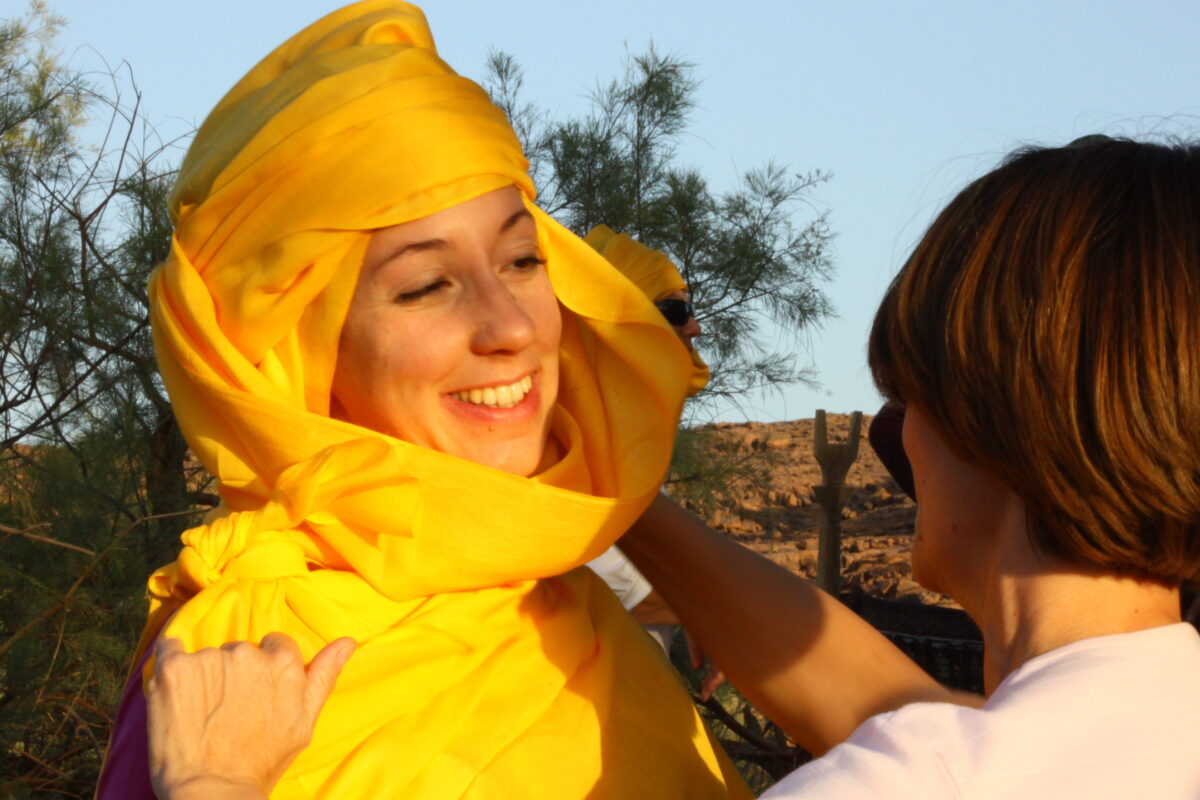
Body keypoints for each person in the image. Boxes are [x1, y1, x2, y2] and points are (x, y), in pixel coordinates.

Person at [97, 2, 759, 797]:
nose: (513, 326)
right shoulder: (232, 677)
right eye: (424, 286)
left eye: (522, 259)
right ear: (302, 352)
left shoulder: (563, 600)